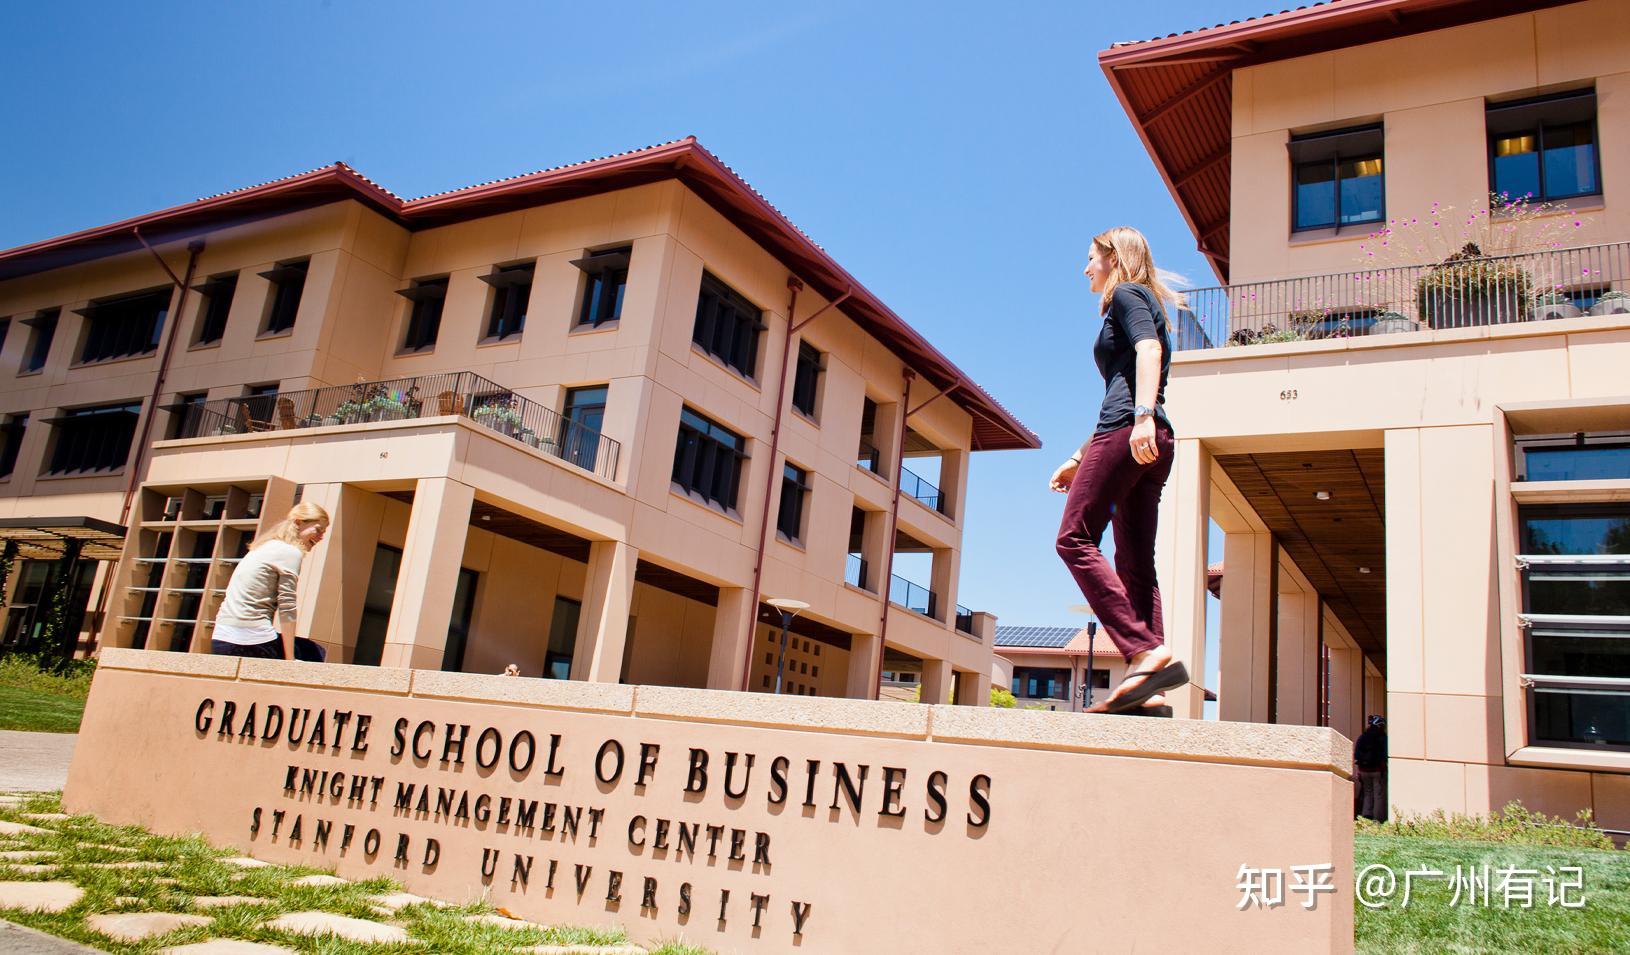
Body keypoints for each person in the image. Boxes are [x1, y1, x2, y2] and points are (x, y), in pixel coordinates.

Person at [1051, 226, 1187, 715]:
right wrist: (1078, 456)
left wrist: (1143, 418)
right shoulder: (1146, 301)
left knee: (1074, 538)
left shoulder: (1127, 295)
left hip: (1134, 430)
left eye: (1091, 258)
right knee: (1134, 563)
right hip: (1142, 436)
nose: (1085, 268)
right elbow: (1125, 384)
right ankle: (1152, 690)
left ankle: (1143, 651)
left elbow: (1147, 355)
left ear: (1114, 258)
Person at [211, 501, 330, 660]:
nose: (321, 537)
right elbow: (287, 608)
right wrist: (289, 659)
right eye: (318, 529)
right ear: (298, 522)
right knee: (313, 653)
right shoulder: (290, 552)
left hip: (221, 638)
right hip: (250, 641)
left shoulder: (264, 546)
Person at [1354, 716, 1388, 822]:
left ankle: (1366, 816)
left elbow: (1356, 755)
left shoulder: (1362, 737)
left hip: (1364, 770)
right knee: (1378, 795)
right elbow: (1385, 754)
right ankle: (1377, 819)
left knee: (1367, 792)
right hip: (1378, 771)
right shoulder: (1383, 738)